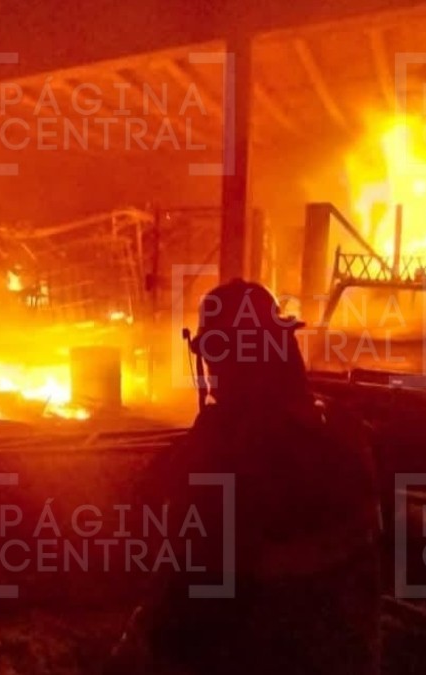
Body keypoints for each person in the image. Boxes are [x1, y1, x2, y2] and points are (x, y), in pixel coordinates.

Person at [113, 279, 382, 675]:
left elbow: (187, 579)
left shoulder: (228, 447)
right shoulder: (343, 425)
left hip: (261, 652)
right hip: (347, 652)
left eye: (214, 355)